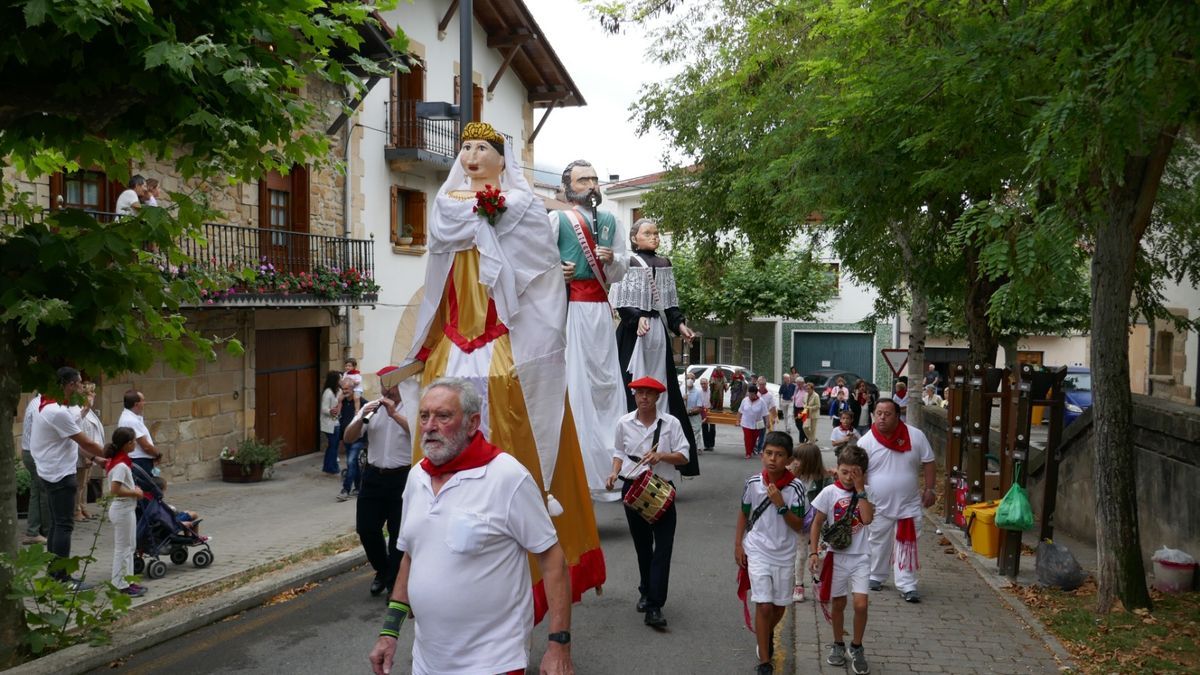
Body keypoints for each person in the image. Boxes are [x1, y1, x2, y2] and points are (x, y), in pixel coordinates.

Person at [399, 122, 604, 602]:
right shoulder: (445, 209)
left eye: (481, 148)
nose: (471, 155)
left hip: (504, 341)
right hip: (455, 342)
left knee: (519, 440)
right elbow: (437, 282)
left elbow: (542, 276)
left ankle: (527, 554)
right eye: (465, 148)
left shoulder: (525, 207)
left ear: (500, 157)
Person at [368, 378, 574, 675]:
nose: (429, 426)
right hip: (427, 662)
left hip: (493, 662)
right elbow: (410, 557)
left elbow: (553, 560)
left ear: (472, 422)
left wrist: (559, 646)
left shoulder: (507, 477)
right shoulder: (416, 478)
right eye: (424, 416)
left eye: (443, 416)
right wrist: (389, 632)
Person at [553, 159, 629, 501]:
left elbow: (622, 268)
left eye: (595, 179)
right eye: (584, 180)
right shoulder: (558, 218)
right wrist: (557, 271)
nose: (592, 184)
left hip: (600, 309)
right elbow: (537, 261)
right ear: (569, 186)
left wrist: (612, 259)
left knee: (607, 385)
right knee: (575, 385)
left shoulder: (612, 220)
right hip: (569, 311)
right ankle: (577, 472)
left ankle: (611, 470)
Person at [611, 218, 700, 477]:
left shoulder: (664, 264)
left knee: (662, 388)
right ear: (634, 238)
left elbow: (671, 304)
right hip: (632, 333)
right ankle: (626, 463)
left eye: (657, 233)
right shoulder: (626, 263)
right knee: (631, 389)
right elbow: (620, 300)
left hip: (657, 333)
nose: (654, 237)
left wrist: (680, 326)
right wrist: (635, 317)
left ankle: (663, 460)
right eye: (648, 233)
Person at [605, 376, 691, 629]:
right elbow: (619, 452)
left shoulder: (671, 423)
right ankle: (645, 589)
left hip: (662, 489)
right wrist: (613, 472)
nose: (643, 397)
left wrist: (661, 455)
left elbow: (684, 456)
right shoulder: (624, 423)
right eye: (639, 393)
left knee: (663, 548)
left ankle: (654, 605)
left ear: (657, 397)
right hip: (633, 487)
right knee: (643, 546)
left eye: (648, 393)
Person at [734, 431, 805, 675]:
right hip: (757, 549)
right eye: (769, 453)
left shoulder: (796, 488)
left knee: (779, 607)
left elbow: (799, 525)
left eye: (779, 455)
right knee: (764, 606)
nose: (773, 459)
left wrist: (781, 505)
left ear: (788, 459)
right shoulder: (753, 483)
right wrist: (738, 544)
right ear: (762, 455)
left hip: (784, 553)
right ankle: (765, 660)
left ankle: (766, 632)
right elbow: (744, 512)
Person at [29, 367, 107, 587]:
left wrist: (95, 459)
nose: (82, 388)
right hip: (59, 474)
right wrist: (111, 453)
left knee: (56, 524)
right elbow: (86, 442)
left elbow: (68, 440)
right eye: (80, 383)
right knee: (64, 525)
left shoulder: (44, 403)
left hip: (49, 470)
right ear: (70, 385)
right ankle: (62, 578)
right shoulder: (58, 412)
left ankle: (53, 574)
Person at [342, 366, 411, 596]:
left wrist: (394, 415)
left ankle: (394, 583)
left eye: (391, 385)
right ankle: (382, 570)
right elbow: (349, 438)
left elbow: (418, 434)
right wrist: (361, 418)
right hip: (373, 476)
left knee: (397, 533)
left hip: (403, 477)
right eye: (383, 385)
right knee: (366, 529)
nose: (387, 391)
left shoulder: (413, 408)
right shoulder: (371, 408)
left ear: (402, 385)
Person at [859, 398, 936, 602]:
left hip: (908, 505)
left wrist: (930, 489)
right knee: (877, 541)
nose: (882, 418)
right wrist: (861, 499)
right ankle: (876, 576)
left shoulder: (915, 436)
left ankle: (907, 585)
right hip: (878, 506)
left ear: (897, 415)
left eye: (887, 414)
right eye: (879, 413)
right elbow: (859, 472)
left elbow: (929, 462)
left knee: (906, 543)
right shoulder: (866, 441)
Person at [809, 444, 875, 675]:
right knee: (838, 603)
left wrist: (860, 490)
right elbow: (817, 522)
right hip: (836, 557)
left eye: (854, 473)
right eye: (844, 471)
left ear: (863, 474)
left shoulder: (867, 491)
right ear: (837, 469)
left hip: (861, 556)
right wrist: (813, 551)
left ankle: (857, 646)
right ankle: (838, 643)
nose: (848, 477)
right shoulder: (829, 493)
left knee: (861, 604)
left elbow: (866, 519)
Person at [103, 426, 147, 597]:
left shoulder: (120, 461)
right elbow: (115, 489)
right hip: (122, 508)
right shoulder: (121, 465)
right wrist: (134, 492)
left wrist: (132, 488)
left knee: (129, 547)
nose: (135, 443)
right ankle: (121, 584)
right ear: (127, 444)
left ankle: (127, 581)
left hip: (126, 508)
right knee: (123, 548)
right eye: (133, 441)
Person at [789, 443, 832, 603]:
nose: (795, 462)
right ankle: (799, 585)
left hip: (819, 524)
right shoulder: (793, 478)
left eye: (799, 459)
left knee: (820, 554)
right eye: (795, 458)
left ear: (809, 460)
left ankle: (816, 580)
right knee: (801, 555)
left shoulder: (824, 479)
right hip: (801, 523)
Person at [20, 392, 50, 545]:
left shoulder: (35, 402)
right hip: (35, 453)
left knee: (36, 491)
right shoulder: (40, 405)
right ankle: (44, 531)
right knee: (43, 491)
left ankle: (34, 530)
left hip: (29, 451)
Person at [73, 382, 104, 521]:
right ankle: (76, 510)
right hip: (84, 455)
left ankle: (83, 506)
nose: (94, 395)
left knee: (85, 483)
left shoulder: (89, 411)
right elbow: (83, 434)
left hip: (91, 454)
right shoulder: (81, 411)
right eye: (92, 393)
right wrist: (87, 456)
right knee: (79, 484)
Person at [336, 377, 368, 501]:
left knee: (350, 462)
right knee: (353, 463)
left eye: (347, 389)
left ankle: (345, 489)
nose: (345, 391)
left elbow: (368, 421)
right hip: (347, 439)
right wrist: (340, 440)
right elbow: (341, 420)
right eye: (343, 389)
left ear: (353, 388)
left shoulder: (363, 403)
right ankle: (359, 487)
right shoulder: (342, 403)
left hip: (358, 439)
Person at [118, 389, 162, 481]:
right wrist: (157, 454)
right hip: (139, 460)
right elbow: (145, 446)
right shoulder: (131, 420)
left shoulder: (129, 417)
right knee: (147, 490)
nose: (144, 403)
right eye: (142, 401)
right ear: (136, 404)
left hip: (138, 460)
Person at [738, 387, 770, 459]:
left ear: (755, 394)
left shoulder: (761, 401)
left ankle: (751, 449)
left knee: (754, 438)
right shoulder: (745, 400)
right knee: (747, 438)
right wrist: (738, 420)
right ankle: (748, 453)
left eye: (752, 394)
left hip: (757, 423)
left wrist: (768, 422)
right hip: (746, 423)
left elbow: (766, 413)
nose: (750, 396)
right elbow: (740, 411)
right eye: (749, 394)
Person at [320, 371, 341, 475]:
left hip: (335, 422)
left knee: (333, 446)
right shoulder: (328, 392)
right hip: (330, 424)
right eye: (339, 379)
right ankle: (332, 467)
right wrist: (330, 411)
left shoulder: (336, 391)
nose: (340, 381)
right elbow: (324, 408)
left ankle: (328, 466)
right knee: (333, 446)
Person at [754, 377, 777, 455]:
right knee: (754, 433)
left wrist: (774, 417)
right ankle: (754, 446)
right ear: (758, 384)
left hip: (763, 417)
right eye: (760, 384)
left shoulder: (769, 395)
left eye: (763, 384)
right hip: (755, 416)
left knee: (762, 434)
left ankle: (760, 448)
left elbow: (773, 406)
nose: (762, 386)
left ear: (765, 384)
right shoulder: (755, 392)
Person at [684, 375, 705, 451]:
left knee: (695, 433)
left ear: (694, 380)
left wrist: (690, 411)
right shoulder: (681, 389)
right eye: (688, 378)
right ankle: (699, 447)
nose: (690, 380)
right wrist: (682, 399)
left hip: (695, 416)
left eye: (692, 378)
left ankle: (692, 450)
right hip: (684, 417)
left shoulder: (698, 391)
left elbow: (699, 407)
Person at [698, 377, 716, 451]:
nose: (703, 385)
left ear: (707, 383)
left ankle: (711, 445)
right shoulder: (699, 392)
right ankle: (706, 445)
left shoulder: (711, 391)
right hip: (703, 411)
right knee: (704, 428)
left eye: (704, 383)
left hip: (711, 410)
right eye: (701, 384)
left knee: (712, 428)